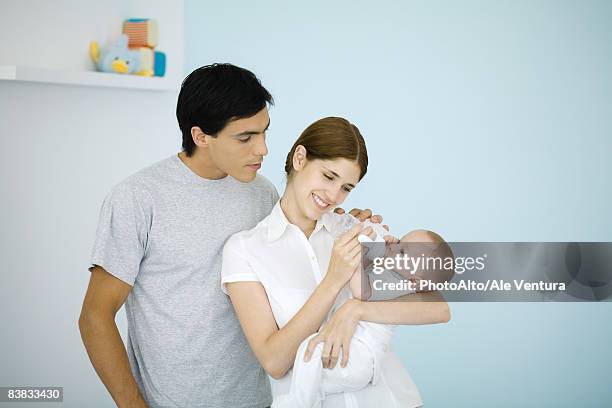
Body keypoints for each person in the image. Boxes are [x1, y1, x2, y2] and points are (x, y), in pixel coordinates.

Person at [78, 63, 379, 408]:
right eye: (246, 137)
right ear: (201, 136)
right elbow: (95, 317)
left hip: (257, 400)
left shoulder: (263, 195)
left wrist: (346, 223)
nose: (263, 149)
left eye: (264, 132)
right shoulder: (137, 199)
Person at [221, 117, 451, 407]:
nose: (333, 195)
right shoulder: (246, 249)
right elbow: (274, 361)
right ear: (300, 158)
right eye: (328, 177)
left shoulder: (356, 228)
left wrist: (355, 310)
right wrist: (333, 281)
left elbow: (439, 307)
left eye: (346, 187)